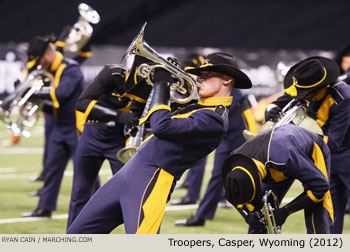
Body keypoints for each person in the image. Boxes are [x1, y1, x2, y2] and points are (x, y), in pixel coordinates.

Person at [67, 52, 252, 234]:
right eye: (200, 75)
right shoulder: (199, 105)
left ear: (227, 79)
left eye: (207, 75)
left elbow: (161, 126)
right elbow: (140, 116)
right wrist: (150, 84)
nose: (199, 79)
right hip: (128, 173)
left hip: (152, 180)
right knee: (78, 235)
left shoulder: (215, 118)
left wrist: (162, 84)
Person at [264, 56, 350, 233]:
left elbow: (333, 143)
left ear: (320, 87)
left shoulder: (343, 98)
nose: (302, 96)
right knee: (329, 213)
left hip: (344, 151)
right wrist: (271, 109)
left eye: (307, 93)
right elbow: (281, 101)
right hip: (327, 156)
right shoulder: (305, 85)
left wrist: (297, 139)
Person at [222, 124, 333, 233]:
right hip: (276, 161)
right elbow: (234, 192)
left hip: (308, 151)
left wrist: (285, 211)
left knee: (316, 217)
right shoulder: (234, 166)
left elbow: (321, 187)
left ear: (259, 179)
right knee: (260, 219)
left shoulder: (285, 157)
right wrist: (248, 216)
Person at [67, 63, 139, 228]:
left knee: (129, 195)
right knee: (80, 193)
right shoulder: (113, 73)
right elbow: (82, 103)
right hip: (92, 134)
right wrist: (118, 115)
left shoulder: (148, 85)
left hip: (120, 139)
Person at [21, 35, 85, 218]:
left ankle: (97, 205)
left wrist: (34, 93)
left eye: (40, 59)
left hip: (76, 127)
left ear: (48, 54)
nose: (39, 65)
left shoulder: (70, 68)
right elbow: (52, 104)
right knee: (51, 169)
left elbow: (62, 94)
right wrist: (32, 98)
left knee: (85, 170)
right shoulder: (50, 70)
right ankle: (44, 208)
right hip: (59, 126)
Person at [174, 87, 257, 225]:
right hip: (226, 133)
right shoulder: (214, 88)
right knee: (218, 174)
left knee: (247, 174)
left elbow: (224, 109)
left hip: (240, 133)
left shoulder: (232, 90)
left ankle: (260, 214)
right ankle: (202, 215)